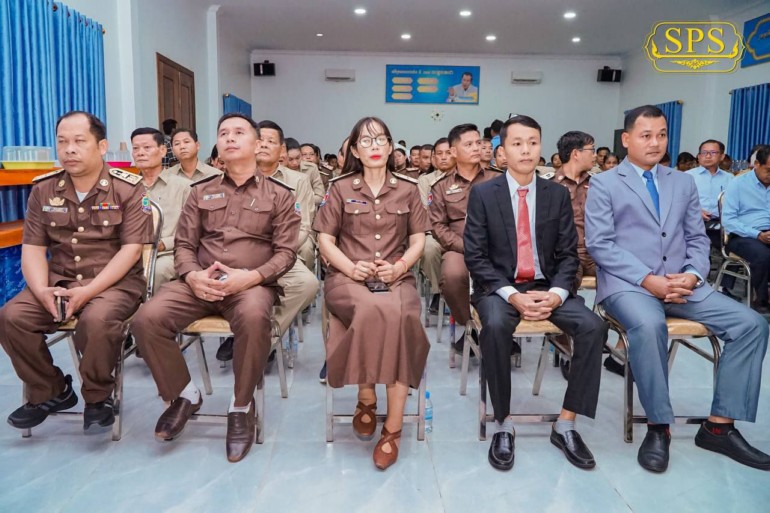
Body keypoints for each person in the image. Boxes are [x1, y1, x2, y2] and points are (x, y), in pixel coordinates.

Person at [585, 104, 770, 473]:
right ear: (626, 139)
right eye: (646, 135)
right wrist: (647, 279)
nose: (656, 143)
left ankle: (718, 427)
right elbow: (600, 244)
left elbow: (697, 238)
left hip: (682, 283)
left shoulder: (682, 182)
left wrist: (693, 275)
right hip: (629, 285)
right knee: (649, 325)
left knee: (752, 325)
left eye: (662, 135)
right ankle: (659, 426)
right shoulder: (605, 183)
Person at [131, 113, 300, 462]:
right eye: (223, 133)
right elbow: (183, 245)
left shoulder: (280, 195)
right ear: (217, 144)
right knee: (147, 318)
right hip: (199, 282)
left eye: (239, 132)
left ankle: (241, 405)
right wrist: (193, 276)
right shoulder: (200, 192)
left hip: (250, 285)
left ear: (257, 144)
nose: (230, 138)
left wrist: (251, 277)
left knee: (254, 318)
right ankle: (184, 394)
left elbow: (286, 253)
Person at [464, 115, 606, 471]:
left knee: (593, 327)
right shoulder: (484, 194)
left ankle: (566, 423)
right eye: (517, 143)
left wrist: (557, 293)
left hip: (547, 287)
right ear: (503, 151)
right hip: (500, 288)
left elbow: (568, 254)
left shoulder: (556, 194)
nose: (526, 150)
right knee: (495, 327)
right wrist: (512, 295)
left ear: (541, 147)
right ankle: (503, 422)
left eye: (532, 142)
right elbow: (475, 256)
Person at [0, 111, 152, 432]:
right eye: (62, 141)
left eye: (79, 141)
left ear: (101, 146)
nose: (69, 149)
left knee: (96, 321)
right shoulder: (44, 189)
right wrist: (41, 290)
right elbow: (33, 249)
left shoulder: (128, 188)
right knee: (12, 317)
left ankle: (98, 396)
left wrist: (89, 291)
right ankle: (51, 390)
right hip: (60, 281)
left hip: (115, 284)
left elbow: (131, 251)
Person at [313, 116, 430, 471]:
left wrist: (401, 266)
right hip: (347, 278)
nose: (374, 146)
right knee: (368, 309)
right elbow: (325, 240)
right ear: (354, 149)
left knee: (403, 315)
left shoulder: (408, 188)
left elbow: (418, 240)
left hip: (396, 276)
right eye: (365, 141)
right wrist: (350, 268)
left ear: (391, 147)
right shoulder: (340, 188)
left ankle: (393, 427)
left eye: (380, 139)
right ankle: (366, 393)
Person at [216, 121, 320, 363]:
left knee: (307, 284)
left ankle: (262, 338)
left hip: (281, 254)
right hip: (240, 254)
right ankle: (247, 332)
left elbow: (303, 226)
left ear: (282, 150)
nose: (263, 145)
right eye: (260, 140)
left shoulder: (298, 181)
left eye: (270, 142)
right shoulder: (233, 177)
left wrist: (277, 255)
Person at [429, 124, 502, 354]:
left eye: (478, 143)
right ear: (453, 151)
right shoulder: (441, 186)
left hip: (497, 246)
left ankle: (499, 328)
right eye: (469, 144)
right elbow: (438, 226)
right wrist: (465, 246)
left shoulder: (498, 179)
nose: (476, 148)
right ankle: (472, 327)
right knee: (452, 275)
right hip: (459, 247)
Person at [131, 127, 191, 290]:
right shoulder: (128, 187)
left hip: (168, 252)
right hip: (132, 252)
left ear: (163, 150)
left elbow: (192, 230)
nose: (140, 153)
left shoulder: (184, 187)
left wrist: (163, 243)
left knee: (157, 271)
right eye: (135, 148)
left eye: (147, 147)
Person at [721, 145, 770, 313]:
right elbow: (728, 221)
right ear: (756, 164)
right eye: (768, 170)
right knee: (762, 255)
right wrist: (757, 234)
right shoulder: (738, 184)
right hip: (743, 235)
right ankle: (761, 300)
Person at [554, 131, 597, 292]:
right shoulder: (550, 186)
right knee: (565, 286)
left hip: (597, 254)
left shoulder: (598, 183)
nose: (595, 155)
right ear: (576, 154)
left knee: (625, 279)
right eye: (592, 150)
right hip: (568, 255)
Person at [418, 137, 454, 315]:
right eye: (439, 154)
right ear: (433, 159)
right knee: (428, 248)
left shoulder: (463, 177)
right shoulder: (426, 180)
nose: (444, 157)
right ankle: (439, 293)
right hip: (434, 232)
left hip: (460, 232)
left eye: (448, 153)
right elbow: (425, 210)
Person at [686, 139, 733, 251]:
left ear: (722, 156)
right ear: (698, 156)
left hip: (721, 225)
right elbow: (678, 202)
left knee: (733, 246)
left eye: (713, 153)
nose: (707, 156)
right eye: (704, 153)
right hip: (693, 223)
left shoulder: (730, 178)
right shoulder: (687, 176)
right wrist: (695, 211)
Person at [285, 138, 325, 205]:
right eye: (290, 159)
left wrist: (298, 200)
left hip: (307, 209)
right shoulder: (278, 170)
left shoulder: (311, 168)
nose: (295, 163)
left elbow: (320, 197)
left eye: (298, 158)